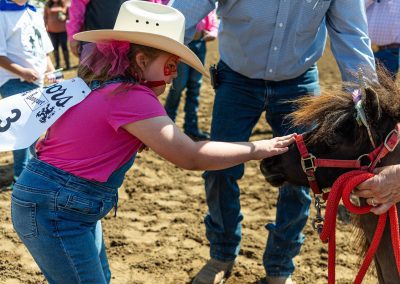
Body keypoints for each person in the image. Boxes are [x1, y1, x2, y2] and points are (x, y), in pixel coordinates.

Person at [10, 1, 295, 283]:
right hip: (58, 206)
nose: (173, 77)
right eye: (170, 66)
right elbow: (191, 156)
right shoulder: (133, 97)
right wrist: (258, 148)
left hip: (54, 199)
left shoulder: (98, 83)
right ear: (142, 62)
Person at [170, 1, 376, 283]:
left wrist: (366, 108)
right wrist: (152, 61)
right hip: (236, 79)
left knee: (303, 175)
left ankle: (280, 267)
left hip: (298, 81)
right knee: (219, 169)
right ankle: (221, 254)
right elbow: (184, 10)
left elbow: (351, 33)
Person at [0, 0, 55, 187]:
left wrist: (53, 73)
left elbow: (44, 51)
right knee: (23, 130)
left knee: (35, 129)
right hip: (13, 81)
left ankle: (32, 172)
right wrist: (22, 72)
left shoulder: (33, 11)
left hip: (37, 82)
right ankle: (21, 177)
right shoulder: (2, 13)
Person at [163, 8, 219, 140]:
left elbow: (213, 20)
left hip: (200, 45)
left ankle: (191, 127)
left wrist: (213, 33)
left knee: (195, 87)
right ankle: (167, 125)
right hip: (183, 44)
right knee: (179, 86)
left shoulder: (207, 4)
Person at [365, 0, 400, 79]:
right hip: (364, 49)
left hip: (390, 52)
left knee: (383, 87)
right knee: (360, 84)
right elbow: (353, 10)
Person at [44, 0, 70, 70]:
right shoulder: (47, 4)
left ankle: (67, 64)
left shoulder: (64, 3)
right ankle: (57, 65)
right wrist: (44, 27)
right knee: (55, 48)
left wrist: (65, 17)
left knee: (64, 47)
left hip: (63, 30)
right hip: (51, 31)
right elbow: (45, 17)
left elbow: (69, 15)